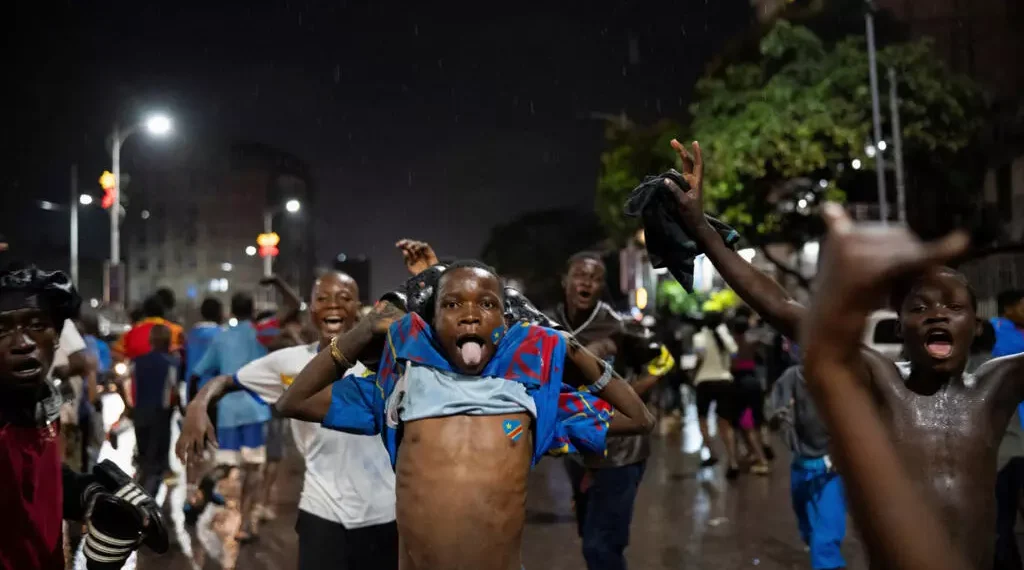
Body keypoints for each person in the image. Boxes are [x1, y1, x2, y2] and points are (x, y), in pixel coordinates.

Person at [661, 138, 1022, 569]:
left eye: (953, 307)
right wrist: (701, 228)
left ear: (975, 325)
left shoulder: (996, 386)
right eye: (920, 308)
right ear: (900, 324)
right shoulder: (885, 381)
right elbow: (781, 307)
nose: (936, 316)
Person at [276, 260, 655, 570]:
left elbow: (638, 419)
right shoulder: (399, 387)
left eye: (488, 304)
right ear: (431, 320)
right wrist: (362, 333)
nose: (470, 315)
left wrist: (575, 352)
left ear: (507, 323)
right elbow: (294, 401)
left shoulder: (533, 400)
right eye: (452, 304)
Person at [178, 271, 397, 570]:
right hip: (321, 511)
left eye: (344, 298)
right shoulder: (290, 362)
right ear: (311, 309)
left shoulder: (388, 361)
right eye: (322, 298)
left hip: (384, 513)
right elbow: (228, 380)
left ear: (359, 307)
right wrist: (198, 405)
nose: (333, 305)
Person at [0, 264, 168, 569]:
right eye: (2, 330)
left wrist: (89, 494)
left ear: (56, 337)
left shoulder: (39, 408)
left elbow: (37, 482)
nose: (22, 343)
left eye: (37, 325)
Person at [552, 250, 672, 570]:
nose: (587, 282)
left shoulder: (616, 324)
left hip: (620, 451)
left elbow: (664, 361)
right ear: (565, 281)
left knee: (601, 546)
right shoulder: (549, 325)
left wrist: (625, 397)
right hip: (577, 448)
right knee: (589, 537)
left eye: (595, 278)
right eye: (580, 275)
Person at [189, 291, 272, 541]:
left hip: (228, 412)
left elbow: (198, 372)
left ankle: (207, 500)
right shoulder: (260, 335)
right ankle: (246, 523)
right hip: (255, 408)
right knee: (254, 468)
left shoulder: (222, 339)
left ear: (232, 312)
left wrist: (195, 405)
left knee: (226, 466)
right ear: (253, 309)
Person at [770, 363, 845, 570]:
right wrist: (780, 420)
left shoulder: (841, 375)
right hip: (801, 464)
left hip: (832, 469)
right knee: (807, 524)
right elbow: (775, 409)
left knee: (826, 532)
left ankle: (828, 563)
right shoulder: (793, 375)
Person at [691, 310, 741, 478]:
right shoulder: (725, 336)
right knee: (725, 424)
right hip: (725, 381)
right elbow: (735, 352)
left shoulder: (699, 337)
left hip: (704, 381)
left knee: (703, 420)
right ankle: (733, 461)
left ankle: (712, 453)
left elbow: (699, 357)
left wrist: (692, 374)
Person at [131, 324, 179, 497]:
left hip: (140, 412)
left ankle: (137, 492)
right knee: (156, 458)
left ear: (150, 341)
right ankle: (148, 499)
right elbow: (173, 389)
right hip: (161, 413)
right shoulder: (171, 363)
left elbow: (129, 385)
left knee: (143, 455)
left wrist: (129, 407)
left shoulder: (137, 362)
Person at [729, 313, 771, 475]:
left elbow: (733, 364)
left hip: (741, 385)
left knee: (746, 424)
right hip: (754, 383)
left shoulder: (733, 345)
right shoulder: (752, 343)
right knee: (754, 422)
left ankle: (761, 460)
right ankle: (754, 453)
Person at [112, 294, 184, 363]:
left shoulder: (131, 332)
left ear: (144, 311)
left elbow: (117, 352)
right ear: (163, 310)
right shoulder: (176, 330)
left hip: (137, 372)